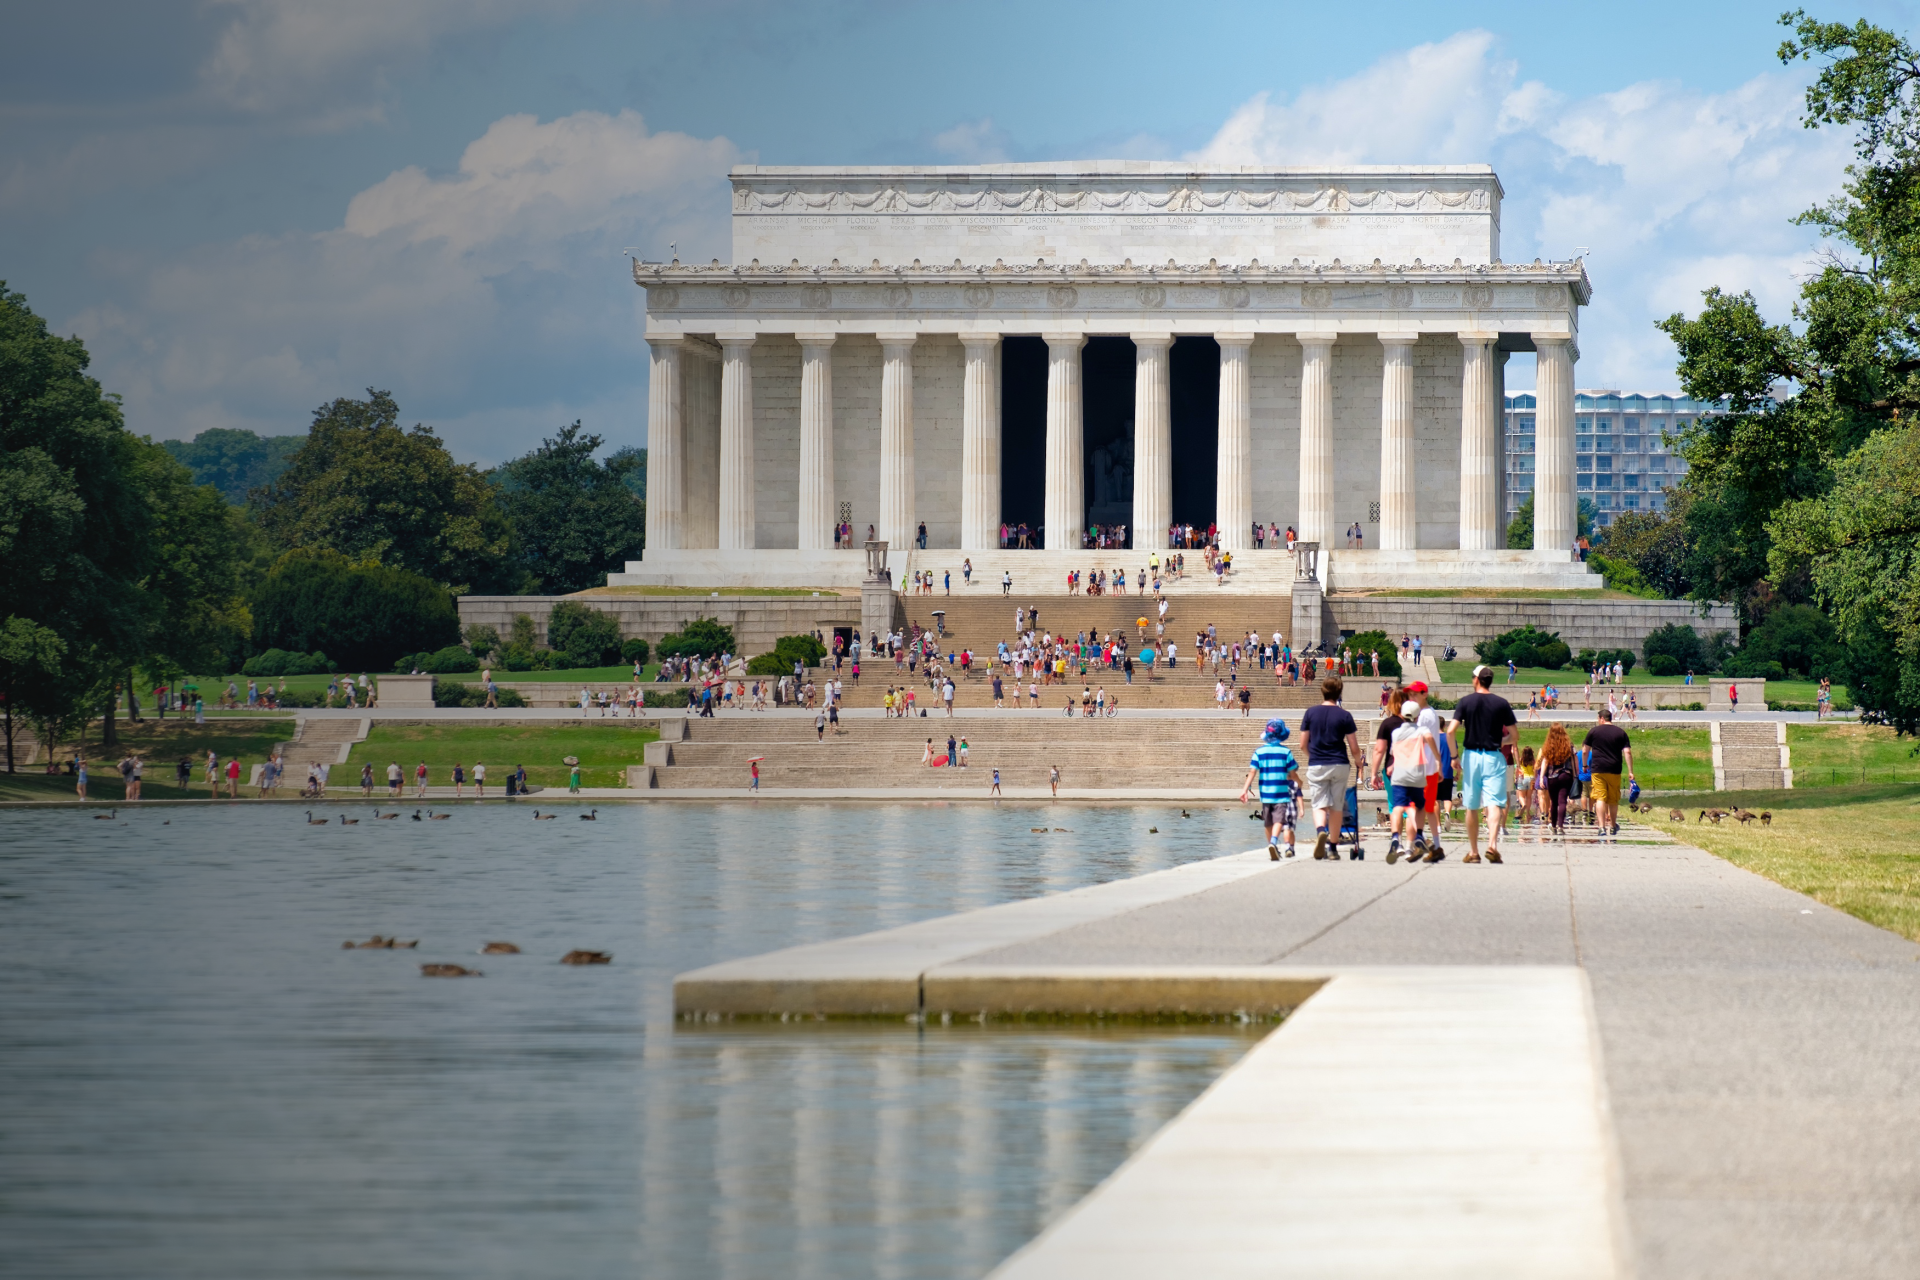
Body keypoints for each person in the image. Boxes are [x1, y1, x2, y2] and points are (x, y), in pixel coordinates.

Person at [1449, 664, 1517, 864]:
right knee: (1494, 802)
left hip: (1471, 756)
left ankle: (1473, 852)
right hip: (1493, 756)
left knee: (1471, 805)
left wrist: (1454, 757)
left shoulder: (1465, 702)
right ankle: (1492, 846)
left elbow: (1451, 731)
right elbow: (1514, 736)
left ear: (1476, 680)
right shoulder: (1501, 703)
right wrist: (1500, 741)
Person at [1300, 677, 1363, 861]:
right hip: (1339, 763)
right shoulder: (1345, 715)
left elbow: (1302, 744)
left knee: (1319, 803)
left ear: (1322, 691)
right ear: (1339, 692)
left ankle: (1321, 831)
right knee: (1336, 806)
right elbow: (1354, 747)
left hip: (1318, 763)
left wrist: (1313, 756)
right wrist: (1359, 762)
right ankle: (1333, 848)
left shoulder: (1310, 713)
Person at [1240, 718, 1302, 860]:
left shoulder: (1259, 752)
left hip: (1266, 794)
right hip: (1281, 793)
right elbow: (1292, 773)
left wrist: (1244, 790)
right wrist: (1299, 781)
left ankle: (1271, 845)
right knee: (1279, 820)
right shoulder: (1286, 752)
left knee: (1268, 822)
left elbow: (1252, 772)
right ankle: (1274, 842)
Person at [1583, 710, 1635, 837]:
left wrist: (1585, 765)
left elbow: (1585, 750)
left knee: (1600, 797)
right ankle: (1612, 826)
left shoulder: (1593, 731)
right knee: (1613, 799)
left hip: (1598, 769)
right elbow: (1627, 752)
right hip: (1614, 769)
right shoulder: (1621, 733)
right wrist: (1630, 771)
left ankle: (1601, 827)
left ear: (1601, 718)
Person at [1540, 724, 1577, 837]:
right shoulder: (1569, 746)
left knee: (1554, 803)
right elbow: (1574, 760)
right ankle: (1560, 826)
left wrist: (1541, 777)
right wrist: (1576, 775)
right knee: (1562, 802)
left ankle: (1554, 825)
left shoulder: (1548, 746)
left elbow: (1545, 761)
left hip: (1552, 777)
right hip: (1566, 775)